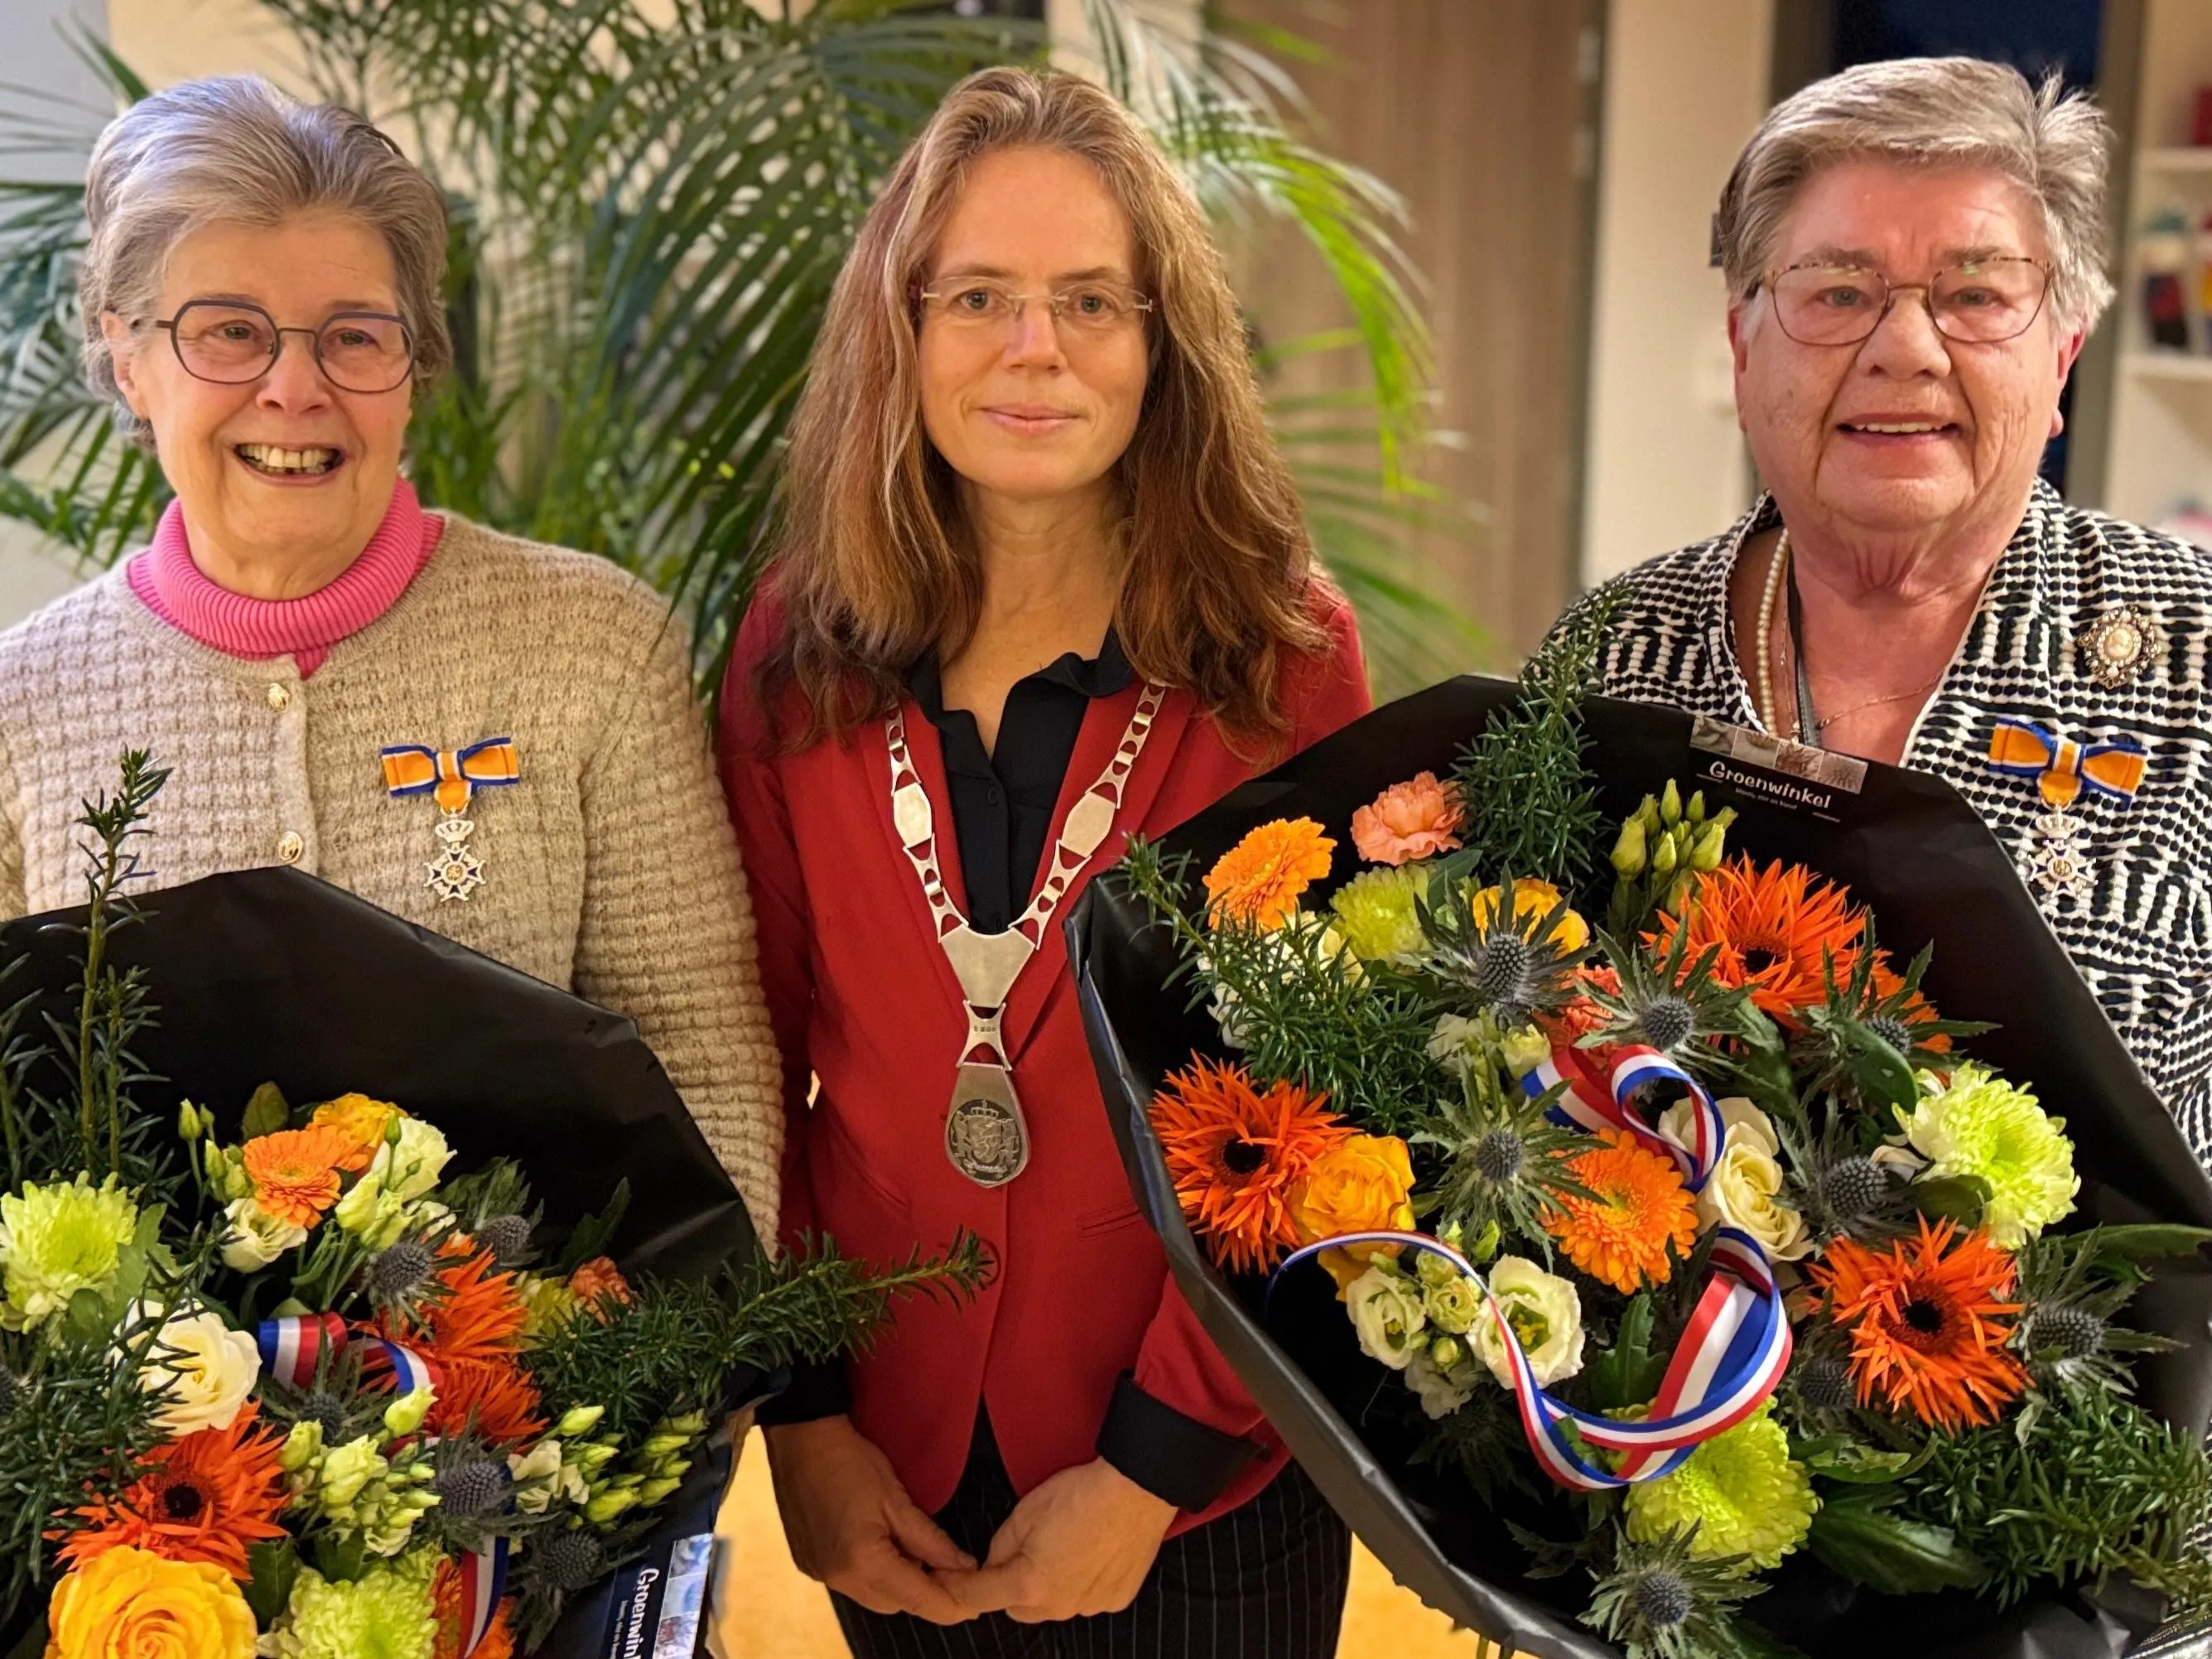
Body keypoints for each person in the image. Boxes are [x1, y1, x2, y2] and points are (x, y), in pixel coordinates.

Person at [719, 65, 1369, 1658]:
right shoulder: (795, 653)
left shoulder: (1280, 663)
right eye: (981, 297)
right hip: (893, 1461)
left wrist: (1154, 1466)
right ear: (903, 327)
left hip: (1200, 1471)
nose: (1034, 349)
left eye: (1091, 299)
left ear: (1162, 344)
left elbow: (1318, 1097)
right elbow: (740, 1058)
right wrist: (801, 1416)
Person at [0, 75, 782, 1237]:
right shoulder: (27, 703)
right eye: (230, 331)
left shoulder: (592, 646)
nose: (295, 387)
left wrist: (666, 1384)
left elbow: (701, 1059)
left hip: (554, 1387)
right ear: (127, 357)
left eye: (354, 335)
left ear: (415, 366)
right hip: (151, 1408)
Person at [1566, 57, 2212, 1151]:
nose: (1902, 349)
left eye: (1974, 296)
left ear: (2060, 352)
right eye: (1836, 293)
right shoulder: (1617, 646)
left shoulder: (2196, 652)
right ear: (1740, 348)